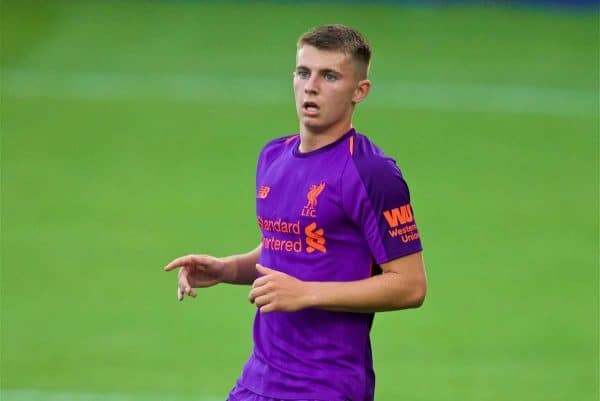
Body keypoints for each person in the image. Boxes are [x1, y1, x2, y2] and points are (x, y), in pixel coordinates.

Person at [164, 24, 427, 401]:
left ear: (360, 91)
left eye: (329, 76)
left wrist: (307, 293)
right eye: (303, 72)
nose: (311, 86)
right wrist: (226, 268)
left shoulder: (371, 173)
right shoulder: (273, 156)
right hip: (259, 379)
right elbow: (287, 249)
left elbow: (410, 285)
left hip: (325, 387)